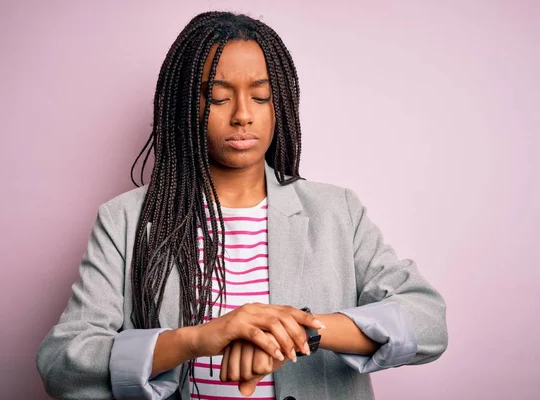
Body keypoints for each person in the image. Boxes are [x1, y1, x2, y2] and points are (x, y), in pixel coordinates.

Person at [36, 11, 448, 400]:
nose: (243, 115)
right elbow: (62, 364)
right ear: (183, 108)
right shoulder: (125, 220)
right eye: (217, 98)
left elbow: (427, 322)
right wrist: (197, 338)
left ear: (280, 104)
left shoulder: (336, 210)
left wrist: (298, 331)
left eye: (261, 96)